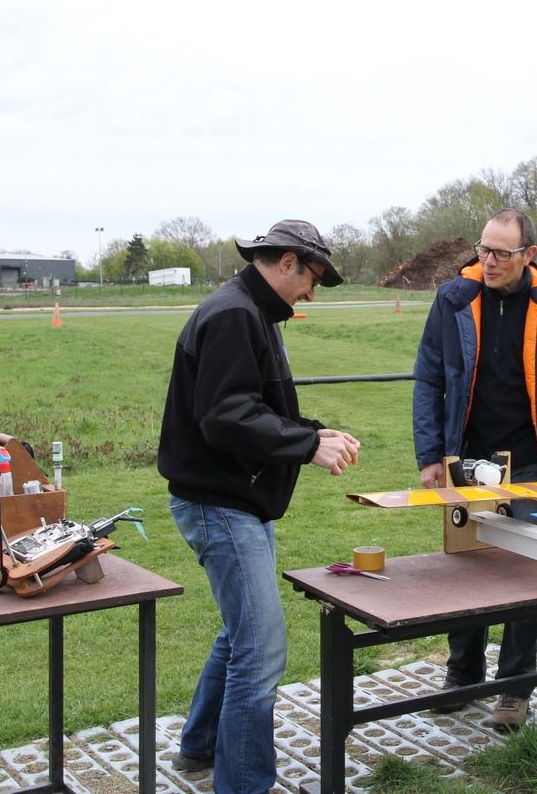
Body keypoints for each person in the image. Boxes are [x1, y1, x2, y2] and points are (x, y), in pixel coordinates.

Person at [158, 219, 361, 793]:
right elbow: (225, 417)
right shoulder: (234, 315)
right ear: (288, 262)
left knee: (240, 633)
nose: (311, 293)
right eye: (313, 278)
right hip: (220, 504)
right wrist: (307, 446)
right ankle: (245, 784)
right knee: (261, 649)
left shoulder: (251, 311)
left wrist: (312, 432)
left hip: (234, 500)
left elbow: (252, 406)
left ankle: (200, 747)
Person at [411, 208, 537, 730]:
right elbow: (429, 378)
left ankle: (514, 689)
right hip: (467, 460)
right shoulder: (452, 299)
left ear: (528, 255)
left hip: (535, 463)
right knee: (467, 568)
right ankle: (462, 676)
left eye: (501, 253)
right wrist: (430, 455)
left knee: (527, 574)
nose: (488, 261)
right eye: (483, 249)